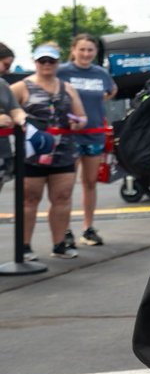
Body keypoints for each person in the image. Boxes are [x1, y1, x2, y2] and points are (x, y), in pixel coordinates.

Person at [11, 43, 88, 259]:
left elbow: (82, 117)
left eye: (51, 61)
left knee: (62, 197)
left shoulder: (67, 88)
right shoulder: (21, 87)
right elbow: (5, 111)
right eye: (42, 60)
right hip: (31, 154)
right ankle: (24, 246)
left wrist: (78, 123)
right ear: (35, 62)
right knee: (29, 199)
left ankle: (60, 244)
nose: (46, 65)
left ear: (57, 63)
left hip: (62, 152)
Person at [57, 33, 117, 247]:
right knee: (65, 187)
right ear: (73, 50)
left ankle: (88, 228)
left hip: (94, 134)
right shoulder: (62, 71)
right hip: (68, 136)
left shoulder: (100, 73)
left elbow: (111, 91)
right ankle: (63, 231)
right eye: (81, 49)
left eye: (90, 50)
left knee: (90, 183)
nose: (85, 54)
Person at [0, 42, 27, 198]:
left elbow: (15, 109)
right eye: (5, 65)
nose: (8, 70)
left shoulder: (2, 84)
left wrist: (23, 120)